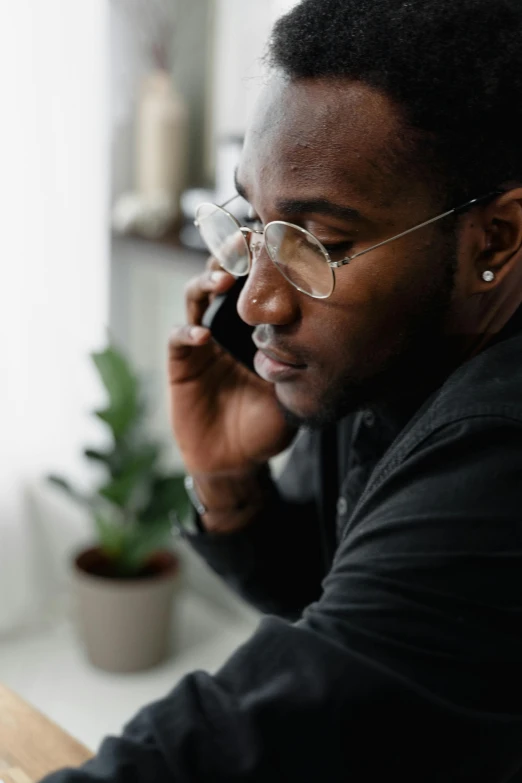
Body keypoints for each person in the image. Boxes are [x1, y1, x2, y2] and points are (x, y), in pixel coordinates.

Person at [42, 0, 522, 780]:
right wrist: (232, 483)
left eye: (319, 242)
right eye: (256, 224)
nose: (256, 300)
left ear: (493, 239)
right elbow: (334, 600)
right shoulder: (386, 347)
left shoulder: (500, 450)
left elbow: (272, 722)